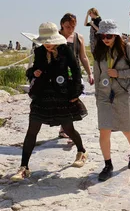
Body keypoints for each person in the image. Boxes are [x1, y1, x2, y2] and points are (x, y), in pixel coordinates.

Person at [11, 23, 88, 181]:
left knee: (68, 127)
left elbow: (75, 70)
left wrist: (76, 92)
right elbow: (32, 71)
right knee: (32, 130)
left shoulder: (66, 49)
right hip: (42, 95)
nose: (47, 44)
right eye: (44, 41)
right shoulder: (39, 51)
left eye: (49, 40)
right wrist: (35, 72)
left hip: (62, 95)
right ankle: (24, 167)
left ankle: (82, 151)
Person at [92, 20, 130, 181]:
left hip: (123, 93)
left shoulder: (128, 48)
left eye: (109, 36)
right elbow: (97, 74)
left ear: (116, 35)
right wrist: (97, 96)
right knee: (104, 131)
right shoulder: (99, 51)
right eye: (102, 36)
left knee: (127, 129)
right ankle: (108, 164)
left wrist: (119, 74)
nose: (105, 39)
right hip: (104, 96)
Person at [57, 12, 94, 140]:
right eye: (68, 26)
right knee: (62, 102)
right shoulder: (55, 36)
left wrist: (89, 73)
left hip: (74, 74)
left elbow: (83, 57)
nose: (70, 29)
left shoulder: (79, 37)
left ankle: (65, 129)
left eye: (73, 26)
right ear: (62, 24)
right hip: (59, 74)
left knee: (72, 101)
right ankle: (65, 128)